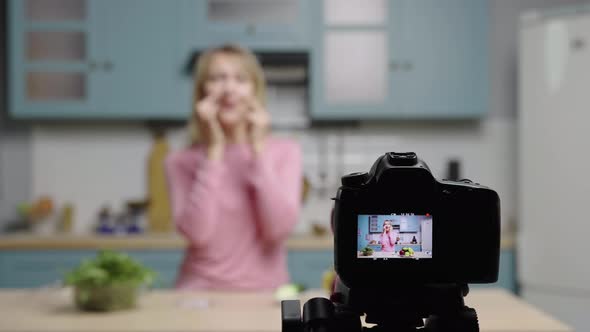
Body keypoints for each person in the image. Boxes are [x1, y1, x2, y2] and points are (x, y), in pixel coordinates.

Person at [165, 44, 302, 290]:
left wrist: (259, 153)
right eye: (217, 78)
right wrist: (214, 153)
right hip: (198, 293)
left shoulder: (285, 152)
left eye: (240, 79)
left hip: (265, 294)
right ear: (201, 92)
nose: (229, 89)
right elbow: (198, 234)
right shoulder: (179, 161)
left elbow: (278, 230)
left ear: (255, 90)